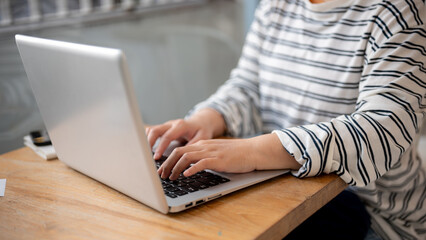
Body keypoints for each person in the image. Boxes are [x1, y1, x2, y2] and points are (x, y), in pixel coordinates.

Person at [146, 0, 426, 239]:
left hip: (375, 215)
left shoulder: (398, 10)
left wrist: (253, 151)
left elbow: (381, 132)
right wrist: (206, 119)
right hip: (283, 187)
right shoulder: (276, 4)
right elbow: (248, 86)